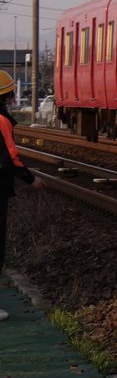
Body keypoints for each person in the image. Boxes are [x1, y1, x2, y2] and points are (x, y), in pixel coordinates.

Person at [0, 69, 45, 322]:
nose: (12, 99)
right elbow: (10, 159)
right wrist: (31, 179)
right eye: (10, 95)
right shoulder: (1, 121)